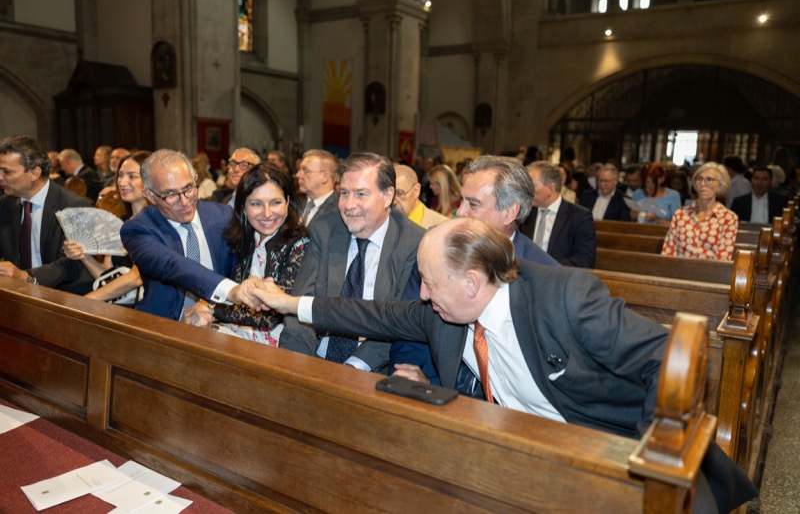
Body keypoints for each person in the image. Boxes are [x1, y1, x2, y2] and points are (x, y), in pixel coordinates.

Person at [245, 217, 757, 513]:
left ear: (471, 282)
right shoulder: (441, 315)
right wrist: (289, 303)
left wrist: (637, 470)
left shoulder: (566, 298)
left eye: (429, 282)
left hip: (606, 451)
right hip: (515, 455)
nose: (421, 295)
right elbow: (370, 314)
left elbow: (669, 359)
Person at [390, 155, 559, 385]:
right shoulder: (436, 248)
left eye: (473, 204)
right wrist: (421, 383)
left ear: (510, 212)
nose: (460, 213)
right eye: (462, 201)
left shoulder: (545, 279)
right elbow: (408, 325)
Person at [278, 152, 424, 372]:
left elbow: (399, 324)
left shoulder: (413, 243)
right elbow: (299, 309)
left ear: (387, 196)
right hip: (315, 359)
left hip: (371, 368)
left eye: (361, 194)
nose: (348, 205)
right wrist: (299, 368)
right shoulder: (324, 230)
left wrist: (351, 369)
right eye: (344, 193)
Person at [119, 149, 259, 320]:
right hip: (163, 324)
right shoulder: (137, 229)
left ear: (195, 180)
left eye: (188, 188)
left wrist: (210, 306)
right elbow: (173, 265)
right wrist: (229, 291)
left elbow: (245, 263)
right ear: (150, 195)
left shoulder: (223, 216)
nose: (184, 201)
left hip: (220, 321)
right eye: (170, 194)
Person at [185, 164, 309, 347]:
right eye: (256, 204)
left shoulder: (300, 244)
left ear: (288, 202)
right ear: (243, 206)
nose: (267, 213)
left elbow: (271, 315)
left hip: (278, 345)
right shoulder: (245, 239)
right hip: (238, 332)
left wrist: (211, 309)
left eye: (276, 202)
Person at [0, 135, 92, 293]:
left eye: (6, 172)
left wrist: (26, 277)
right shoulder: (5, 203)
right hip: (17, 292)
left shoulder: (73, 206)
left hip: (63, 295)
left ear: (35, 173)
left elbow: (71, 264)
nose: (0, 177)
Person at [63, 151, 150, 303]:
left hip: (147, 304)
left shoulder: (155, 223)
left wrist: (86, 301)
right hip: (122, 302)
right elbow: (107, 277)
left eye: (132, 176)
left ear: (151, 181)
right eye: (120, 175)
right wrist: (84, 256)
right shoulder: (121, 223)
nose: (122, 182)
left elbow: (136, 278)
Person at [522, 161, 596, 268]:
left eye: (531, 186)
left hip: (558, 275)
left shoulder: (579, 216)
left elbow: (585, 261)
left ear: (551, 188)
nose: (526, 191)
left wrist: (543, 265)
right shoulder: (525, 212)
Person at [662, 162, 738, 261]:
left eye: (709, 180)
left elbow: (723, 258)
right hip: (679, 268)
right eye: (699, 179)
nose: (702, 184)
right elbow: (668, 251)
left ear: (720, 185)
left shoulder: (728, 218)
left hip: (710, 270)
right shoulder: (680, 214)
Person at [393, 164, 448, 229]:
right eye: (389, 195)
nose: (393, 202)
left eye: (399, 193)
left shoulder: (442, 225)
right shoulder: (384, 221)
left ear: (416, 191)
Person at [295, 149, 338, 225]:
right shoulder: (296, 205)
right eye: (299, 170)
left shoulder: (338, 211)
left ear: (324, 176)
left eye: (305, 171)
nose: (298, 175)